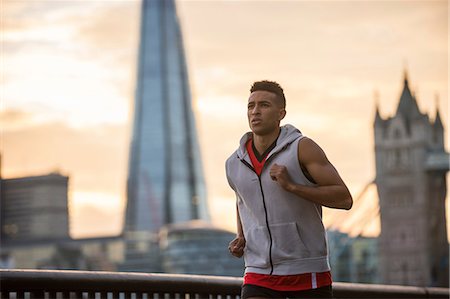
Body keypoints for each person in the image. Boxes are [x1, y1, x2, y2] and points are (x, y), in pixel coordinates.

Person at [225, 80, 353, 299]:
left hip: (306, 271)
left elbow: (344, 198)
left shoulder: (302, 148)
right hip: (258, 272)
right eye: (250, 106)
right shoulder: (234, 163)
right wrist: (241, 236)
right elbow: (242, 200)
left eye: (264, 105)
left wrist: (292, 186)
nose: (255, 111)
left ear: (281, 113)